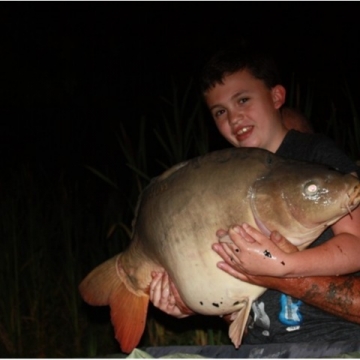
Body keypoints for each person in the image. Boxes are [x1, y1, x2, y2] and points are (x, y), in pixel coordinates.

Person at [149, 45, 360, 344]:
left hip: (334, 340)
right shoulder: (221, 178)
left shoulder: (314, 154)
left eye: (243, 100)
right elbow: (232, 284)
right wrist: (189, 301)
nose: (234, 118)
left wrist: (284, 265)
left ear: (276, 96)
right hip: (259, 345)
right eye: (220, 112)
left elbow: (357, 244)